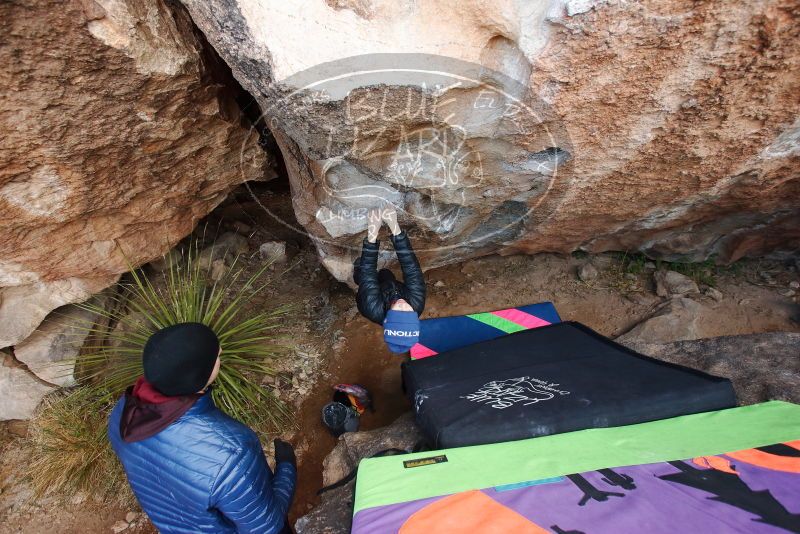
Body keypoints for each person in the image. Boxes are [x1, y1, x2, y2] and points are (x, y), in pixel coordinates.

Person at [108, 322, 296, 534]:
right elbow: (266, 527)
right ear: (197, 378)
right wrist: (287, 468)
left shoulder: (121, 415)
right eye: (216, 356)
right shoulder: (231, 452)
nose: (221, 351)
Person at [353, 205, 426, 353]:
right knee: (386, 273)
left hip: (376, 295)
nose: (403, 305)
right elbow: (411, 268)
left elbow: (368, 274)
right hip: (392, 288)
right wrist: (395, 228)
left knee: (362, 271)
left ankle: (356, 277)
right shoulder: (417, 303)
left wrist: (372, 232)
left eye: (398, 311)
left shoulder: (371, 308)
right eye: (409, 312)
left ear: (387, 319)